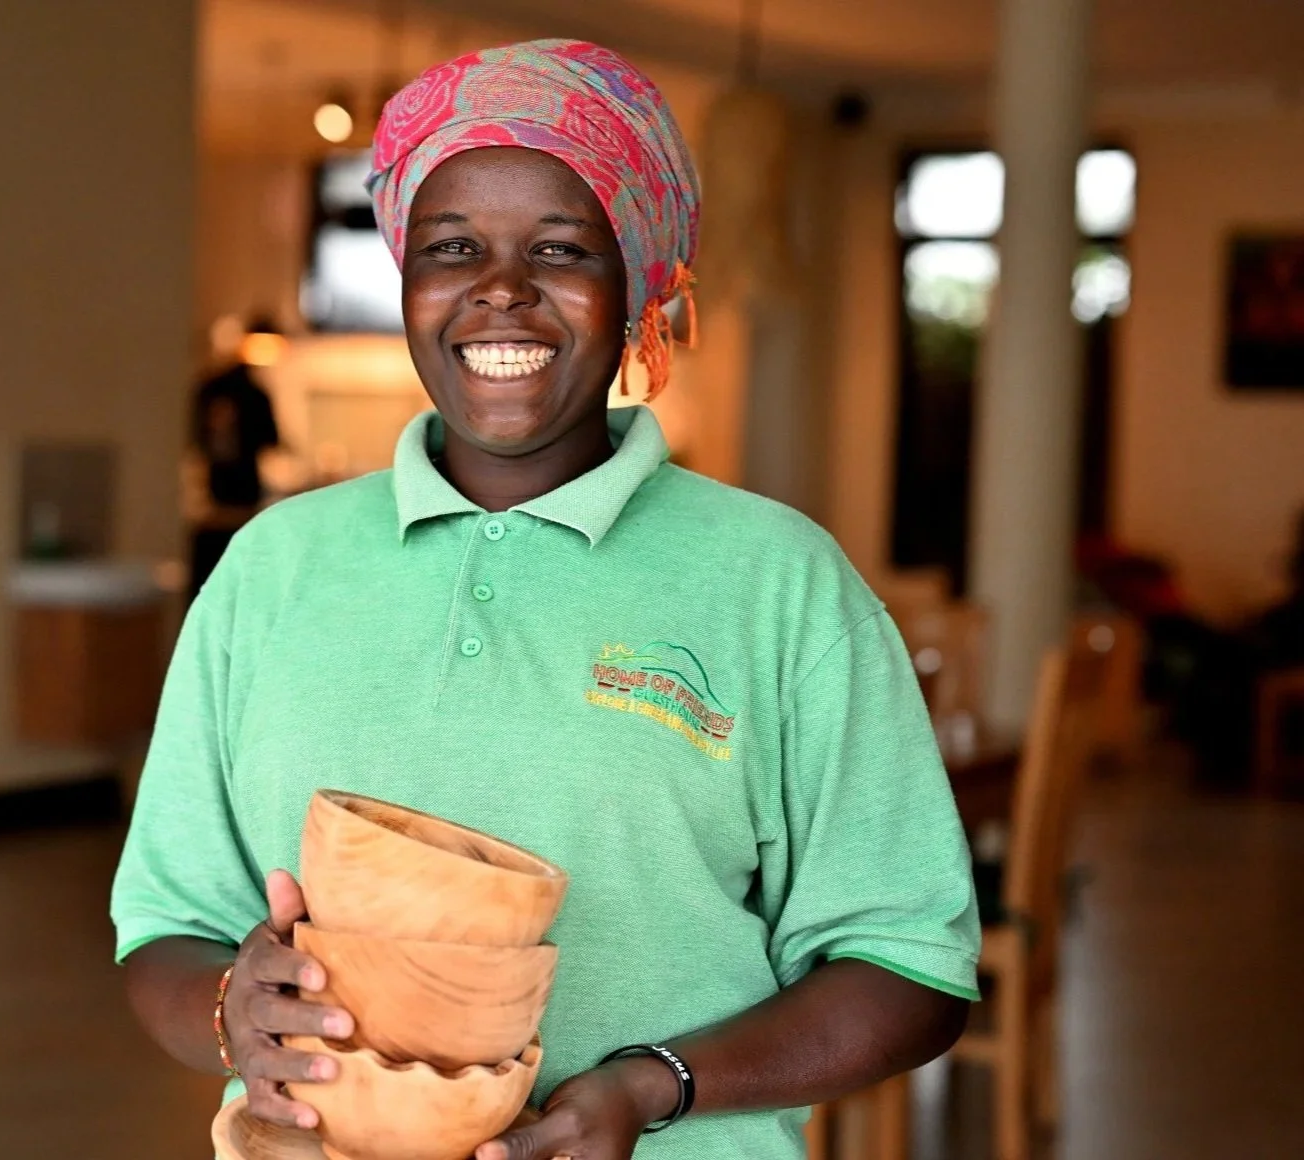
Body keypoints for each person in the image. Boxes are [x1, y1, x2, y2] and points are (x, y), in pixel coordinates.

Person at [114, 40, 979, 1160]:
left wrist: (651, 1084)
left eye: (562, 248)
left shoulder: (780, 583)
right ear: (407, 279)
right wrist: (232, 1003)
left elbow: (910, 965)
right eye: (452, 247)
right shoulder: (271, 569)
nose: (501, 289)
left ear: (639, 286)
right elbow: (163, 930)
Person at [183, 313, 282, 600]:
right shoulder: (254, 394)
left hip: (213, 504)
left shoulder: (209, 389)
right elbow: (272, 441)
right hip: (235, 505)